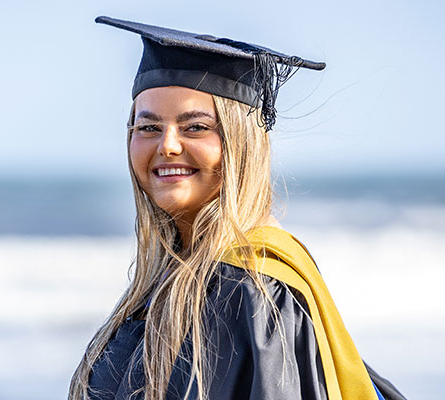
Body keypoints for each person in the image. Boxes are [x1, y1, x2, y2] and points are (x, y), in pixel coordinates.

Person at [68, 17, 405, 400]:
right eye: (148, 128)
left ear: (238, 143)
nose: (168, 146)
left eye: (194, 127)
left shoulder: (251, 293)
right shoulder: (167, 279)